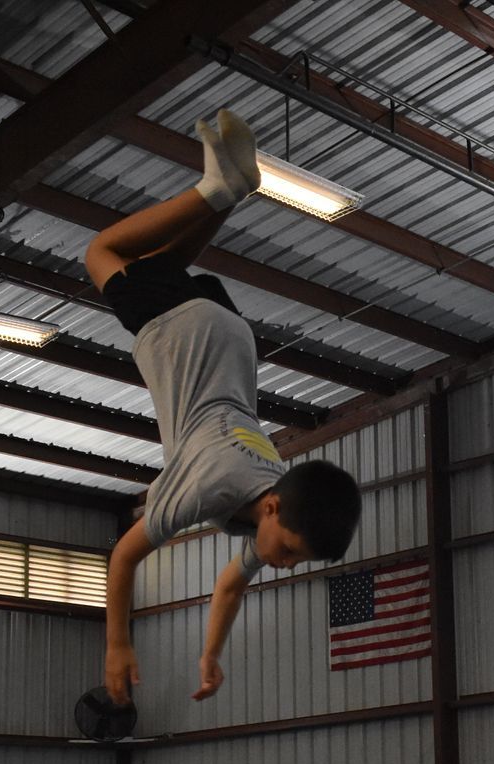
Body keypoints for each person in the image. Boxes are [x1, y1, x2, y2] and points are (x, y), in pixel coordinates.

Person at [87, 109, 362, 708]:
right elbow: (123, 557)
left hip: (232, 338)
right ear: (271, 508)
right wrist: (116, 644)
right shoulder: (211, 489)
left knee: (161, 262)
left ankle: (227, 193)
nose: (283, 564)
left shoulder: (270, 500)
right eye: (288, 551)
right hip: (188, 337)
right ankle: (218, 191)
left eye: (294, 560)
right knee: (102, 252)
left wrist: (211, 654)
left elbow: (232, 585)